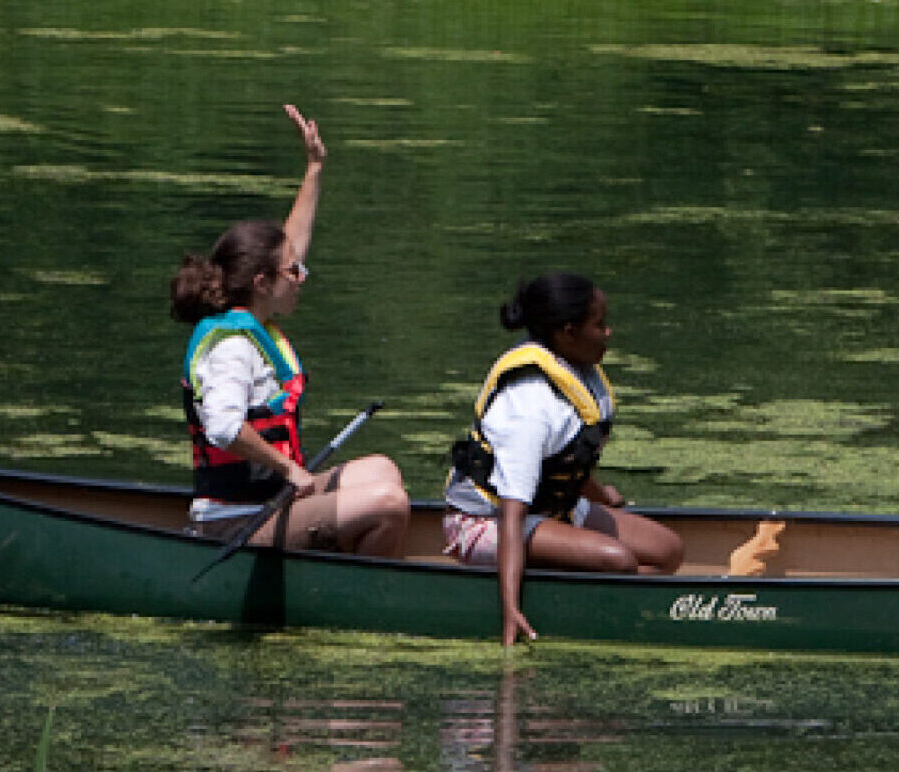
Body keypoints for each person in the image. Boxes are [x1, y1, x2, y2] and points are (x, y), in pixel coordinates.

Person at [168, 104, 412, 558]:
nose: (302, 277)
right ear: (262, 284)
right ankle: (353, 596)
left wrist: (314, 168)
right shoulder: (232, 348)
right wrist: (288, 469)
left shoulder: (257, 321)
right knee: (388, 503)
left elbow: (291, 244)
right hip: (234, 523)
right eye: (292, 273)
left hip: (270, 502)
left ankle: (338, 561)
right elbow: (222, 428)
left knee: (383, 469)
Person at [443, 272, 683, 645]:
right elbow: (511, 511)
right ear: (567, 332)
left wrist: (603, 498)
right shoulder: (530, 403)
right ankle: (597, 614)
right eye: (599, 325)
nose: (608, 333)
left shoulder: (579, 374)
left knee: (668, 550)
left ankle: (619, 608)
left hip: (552, 508)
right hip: (486, 521)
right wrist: (508, 607)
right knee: (618, 560)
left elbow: (562, 462)